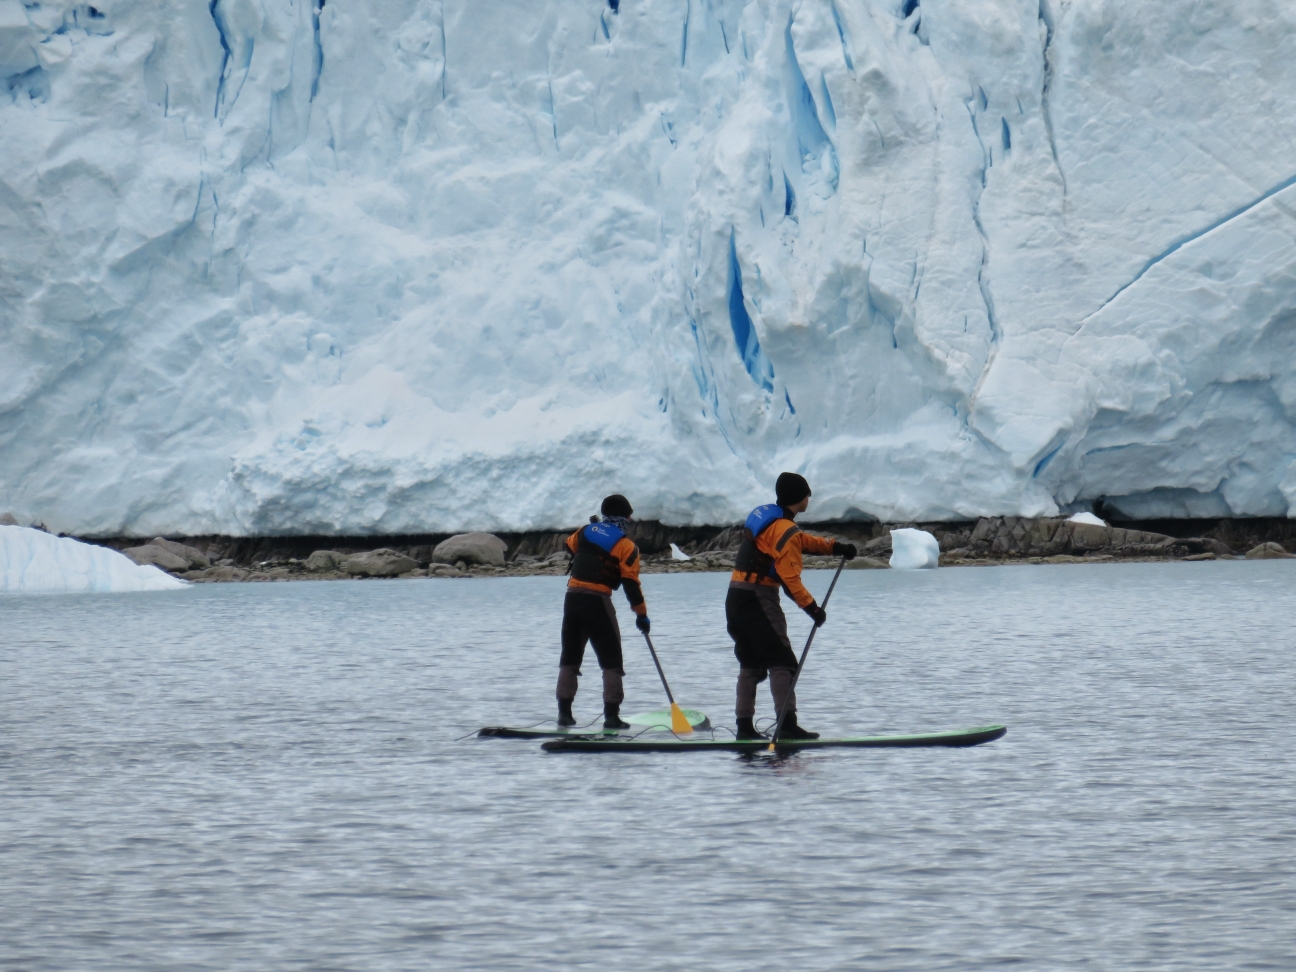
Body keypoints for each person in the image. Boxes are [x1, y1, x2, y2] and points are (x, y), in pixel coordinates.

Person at [726, 472, 857, 740]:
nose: (809, 497)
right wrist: (813, 609)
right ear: (800, 497)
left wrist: (836, 548)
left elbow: (800, 540)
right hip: (758, 598)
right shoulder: (784, 529)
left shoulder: (775, 523)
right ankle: (786, 726)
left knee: (750, 662)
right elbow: (789, 579)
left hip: (735, 598)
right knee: (782, 661)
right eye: (807, 493)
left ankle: (743, 728)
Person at [556, 494, 651, 730]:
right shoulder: (626, 546)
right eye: (629, 516)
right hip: (597, 602)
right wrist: (641, 615)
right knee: (611, 661)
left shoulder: (585, 531)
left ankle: (564, 715)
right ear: (625, 517)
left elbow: (569, 546)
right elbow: (630, 584)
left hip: (572, 598)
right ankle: (611, 717)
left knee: (570, 657)